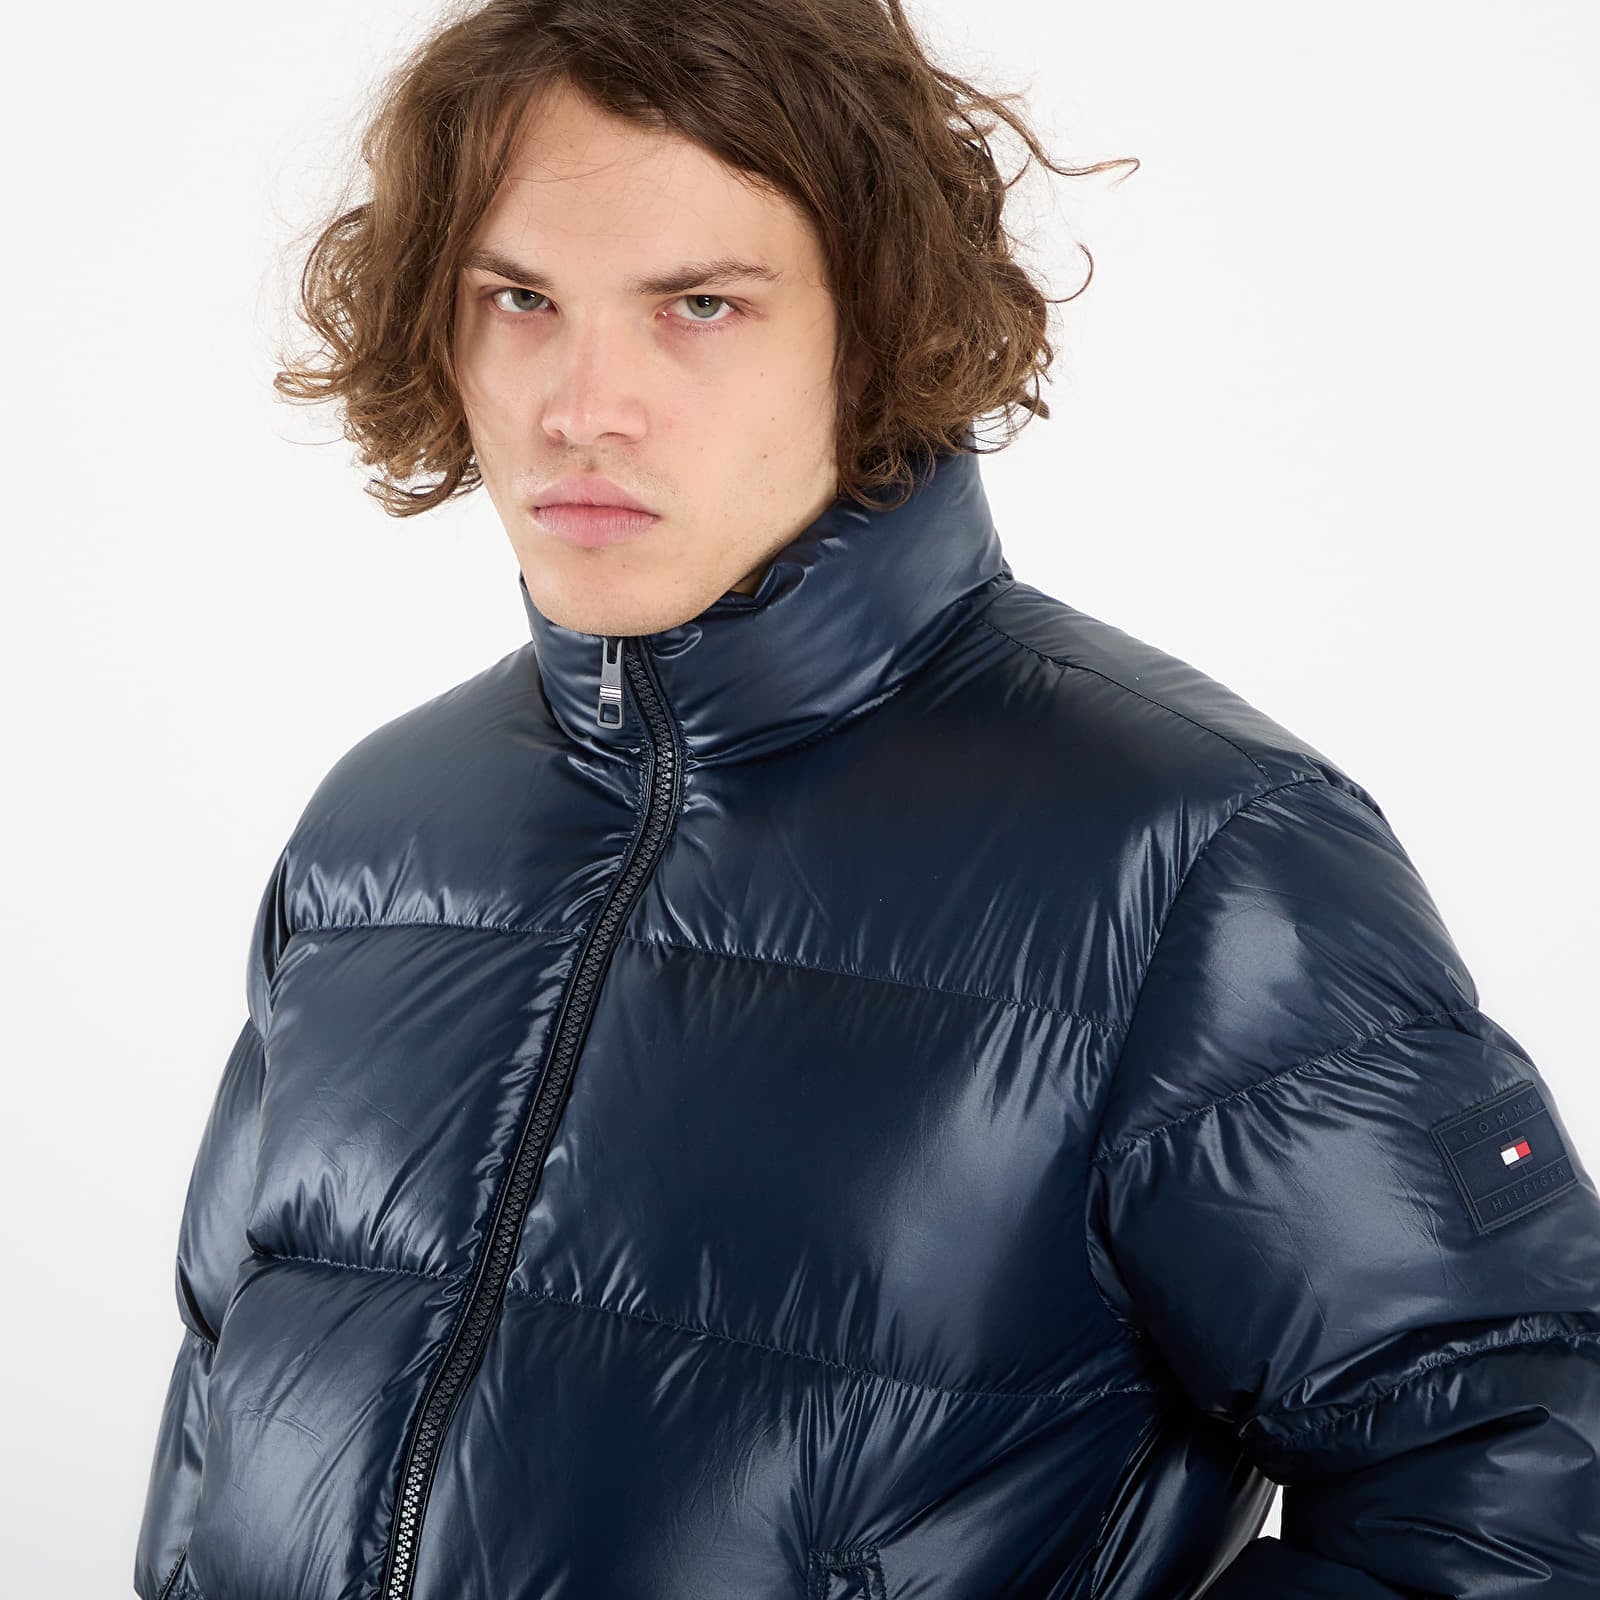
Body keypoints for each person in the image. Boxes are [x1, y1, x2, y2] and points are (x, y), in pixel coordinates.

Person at [132, 1, 1600, 1596]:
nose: (581, 404)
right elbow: (215, 1415)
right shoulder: (380, 830)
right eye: (520, 299)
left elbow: (1524, 1494)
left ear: (881, 323)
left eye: (700, 304)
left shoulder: (1198, 859)